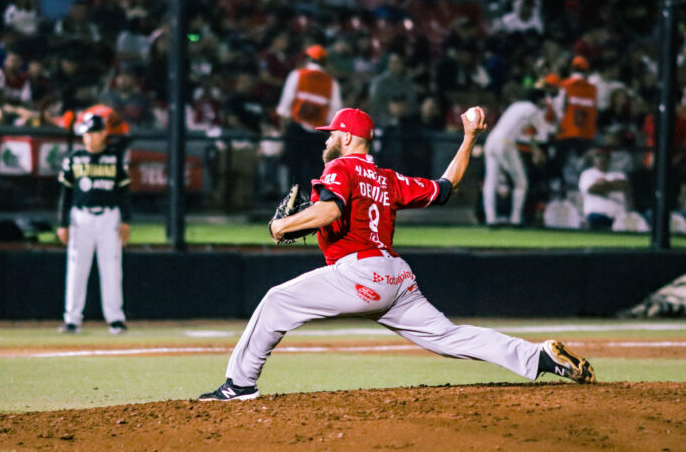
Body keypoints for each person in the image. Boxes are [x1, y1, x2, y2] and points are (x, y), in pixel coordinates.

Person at [199, 107, 595, 401]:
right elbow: (446, 187)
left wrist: (281, 226)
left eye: (331, 133)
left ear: (348, 137)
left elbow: (332, 209)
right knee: (448, 336)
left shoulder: (342, 168)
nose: (326, 140)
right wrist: (470, 137)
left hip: (359, 274)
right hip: (396, 278)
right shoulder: (388, 179)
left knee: (276, 301)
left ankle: (239, 385)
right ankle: (539, 357)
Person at [57, 112, 132, 334]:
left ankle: (115, 319)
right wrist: (62, 223)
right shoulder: (74, 158)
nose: (88, 138)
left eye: (93, 133)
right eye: (86, 133)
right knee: (76, 268)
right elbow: (65, 193)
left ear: (103, 134)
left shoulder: (115, 158)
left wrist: (126, 220)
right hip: (81, 218)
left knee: (111, 269)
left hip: (109, 218)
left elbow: (124, 192)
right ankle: (72, 319)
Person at [276, 44, 342, 192]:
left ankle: (292, 205)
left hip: (297, 129)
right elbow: (334, 114)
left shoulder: (297, 75)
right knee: (315, 172)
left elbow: (285, 106)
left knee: (294, 170)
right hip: (319, 133)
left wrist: (283, 129)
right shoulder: (332, 83)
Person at [483, 90, 549, 227]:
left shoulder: (516, 106)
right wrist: (534, 145)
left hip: (491, 140)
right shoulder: (534, 110)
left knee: (490, 181)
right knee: (521, 183)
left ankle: (491, 220)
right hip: (506, 143)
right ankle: (515, 219)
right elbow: (543, 136)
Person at [551, 56, 598, 191]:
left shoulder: (565, 85)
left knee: (561, 165)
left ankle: (559, 189)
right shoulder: (593, 88)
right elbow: (594, 111)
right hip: (586, 132)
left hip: (566, 132)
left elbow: (559, 109)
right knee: (583, 167)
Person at [578, 148, 629, 230]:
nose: (602, 159)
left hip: (618, 217)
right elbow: (593, 189)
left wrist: (604, 184)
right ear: (594, 159)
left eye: (605, 157)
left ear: (609, 159)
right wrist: (612, 184)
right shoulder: (588, 174)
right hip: (596, 216)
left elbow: (624, 185)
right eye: (599, 156)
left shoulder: (618, 173)